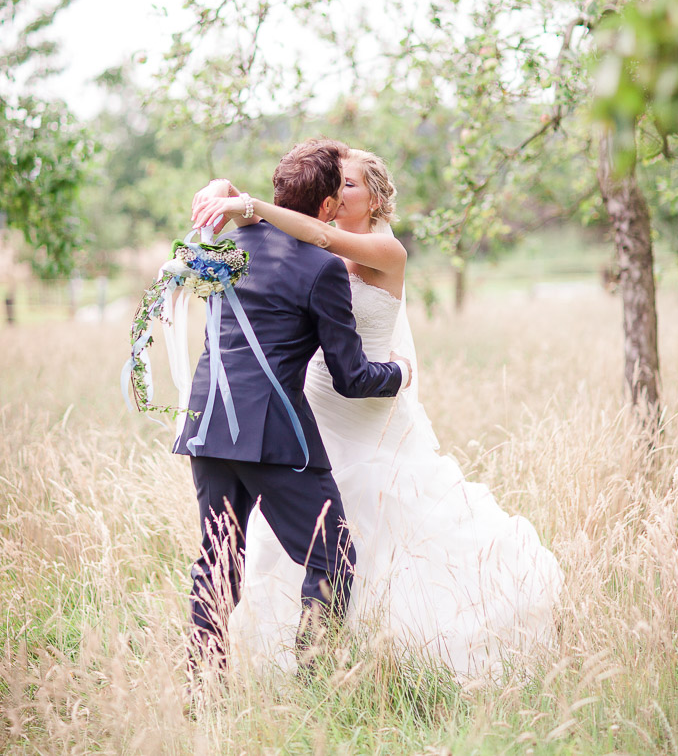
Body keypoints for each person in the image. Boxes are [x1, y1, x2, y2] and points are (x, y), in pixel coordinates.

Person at [191, 146, 563, 680]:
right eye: (334, 185)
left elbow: (313, 235)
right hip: (309, 403)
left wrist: (250, 206)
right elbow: (282, 227)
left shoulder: (381, 251)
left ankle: (367, 655)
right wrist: (226, 189)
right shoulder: (303, 236)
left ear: (375, 196)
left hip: (364, 406)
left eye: (350, 184)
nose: (339, 193)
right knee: (309, 544)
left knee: (365, 533)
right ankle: (300, 665)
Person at [176, 139, 412, 674]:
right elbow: (352, 378)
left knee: (218, 560)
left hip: (206, 421)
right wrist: (398, 371)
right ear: (328, 206)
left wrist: (230, 194)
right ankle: (315, 676)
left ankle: (202, 686)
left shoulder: (231, 244)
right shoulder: (322, 265)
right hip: (272, 433)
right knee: (334, 557)